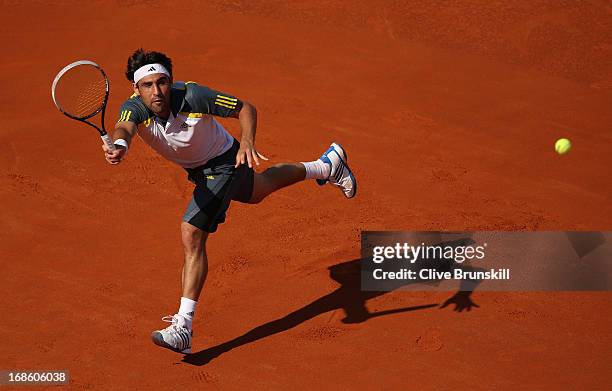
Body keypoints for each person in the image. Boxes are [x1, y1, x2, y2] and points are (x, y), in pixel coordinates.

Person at [103, 49, 357, 354]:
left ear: (171, 81)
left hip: (224, 161)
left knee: (192, 233)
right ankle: (327, 165)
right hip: (199, 170)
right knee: (260, 189)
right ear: (136, 88)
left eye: (163, 82)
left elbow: (245, 108)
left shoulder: (193, 96)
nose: (157, 91)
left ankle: (183, 326)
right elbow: (124, 129)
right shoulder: (133, 109)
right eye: (148, 85)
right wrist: (119, 146)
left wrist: (247, 141)